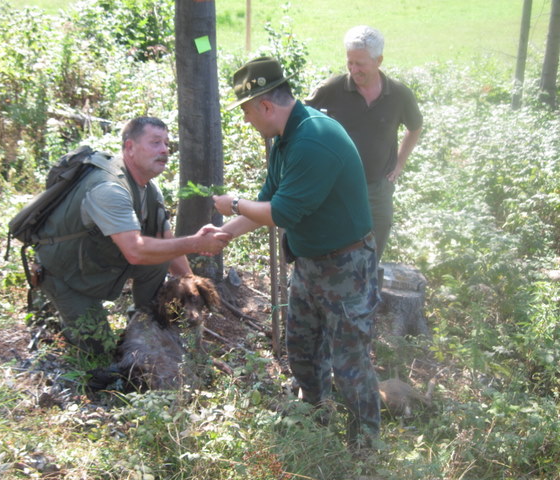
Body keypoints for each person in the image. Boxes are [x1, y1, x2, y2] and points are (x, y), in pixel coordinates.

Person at [213, 57, 381, 446]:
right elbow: (267, 203)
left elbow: (282, 213)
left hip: (346, 267)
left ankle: (366, 447)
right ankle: (315, 417)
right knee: (303, 348)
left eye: (246, 111)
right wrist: (222, 234)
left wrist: (232, 204)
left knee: (349, 361)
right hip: (309, 264)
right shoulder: (286, 141)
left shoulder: (313, 139)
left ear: (265, 106)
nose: (246, 120)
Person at [35, 117, 230, 356]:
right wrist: (196, 243)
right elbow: (135, 251)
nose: (164, 150)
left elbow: (167, 243)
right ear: (130, 147)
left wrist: (193, 288)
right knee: (99, 353)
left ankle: (145, 322)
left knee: (159, 257)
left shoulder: (150, 190)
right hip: (67, 274)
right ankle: (64, 319)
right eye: (155, 142)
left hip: (100, 263)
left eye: (166, 143)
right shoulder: (109, 189)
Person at [305, 25, 423, 264]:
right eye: (350, 62)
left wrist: (399, 163)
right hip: (336, 188)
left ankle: (368, 286)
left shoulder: (399, 95)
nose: (353, 69)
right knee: (335, 255)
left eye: (360, 64)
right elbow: (300, 121)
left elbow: (415, 127)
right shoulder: (331, 89)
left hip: (377, 189)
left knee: (373, 253)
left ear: (378, 60)